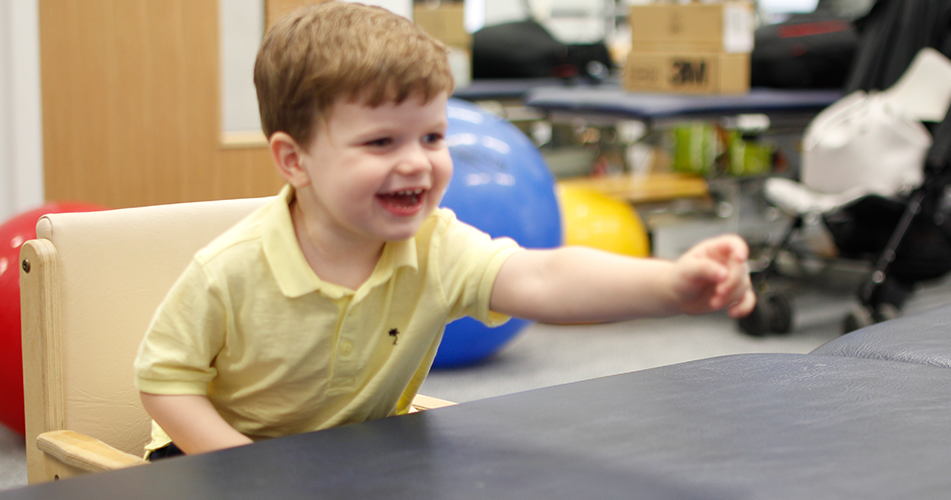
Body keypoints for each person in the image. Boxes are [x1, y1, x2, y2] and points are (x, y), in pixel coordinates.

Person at [134, 1, 756, 460]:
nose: (415, 161)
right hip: (218, 460)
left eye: (432, 136)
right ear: (295, 160)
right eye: (381, 142)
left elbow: (543, 275)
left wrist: (673, 284)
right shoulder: (231, 269)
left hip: (353, 457)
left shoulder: (436, 244)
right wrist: (241, 464)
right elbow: (164, 381)